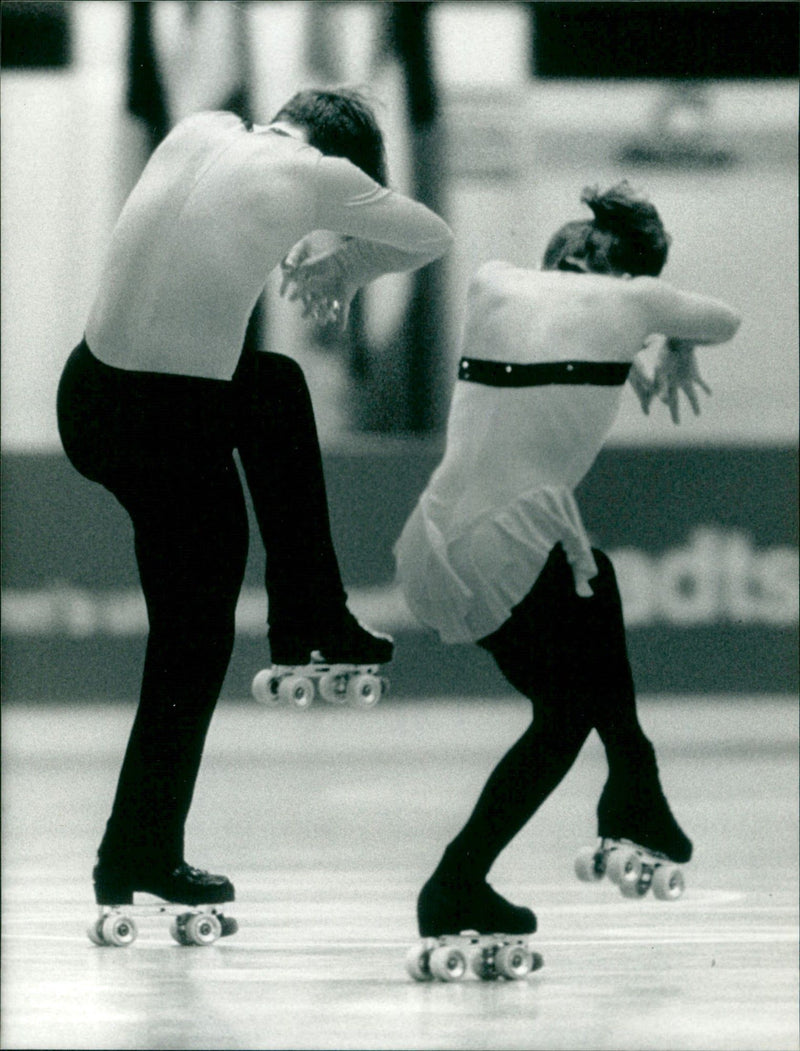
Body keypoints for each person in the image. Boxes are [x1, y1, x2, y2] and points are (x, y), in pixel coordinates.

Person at [57, 88, 453, 910]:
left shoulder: (199, 127)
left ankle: (309, 611)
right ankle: (143, 848)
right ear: (344, 156)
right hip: (168, 420)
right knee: (193, 643)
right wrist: (344, 262)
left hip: (90, 394)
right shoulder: (317, 173)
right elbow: (430, 234)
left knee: (273, 384)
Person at [394, 182, 740, 939]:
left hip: (429, 544)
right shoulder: (632, 304)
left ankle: (632, 781)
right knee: (566, 717)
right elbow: (724, 320)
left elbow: (566, 314)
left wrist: (643, 322)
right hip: (501, 552)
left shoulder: (491, 280)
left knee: (597, 582)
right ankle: (464, 876)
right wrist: (668, 330)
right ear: (632, 275)